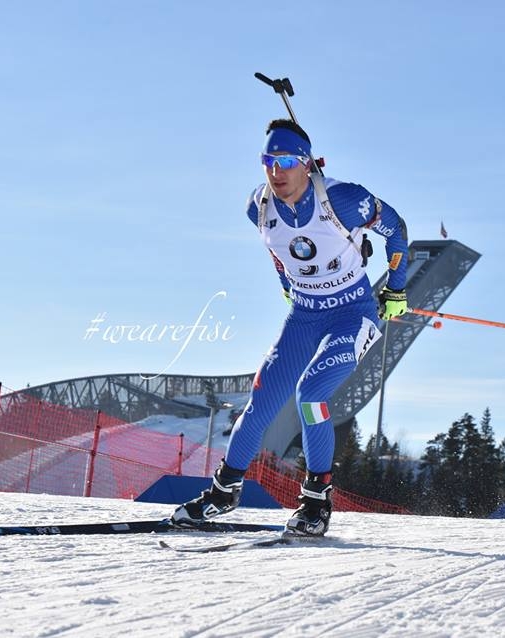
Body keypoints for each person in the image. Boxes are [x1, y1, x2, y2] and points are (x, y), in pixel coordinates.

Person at [171, 119, 409, 536]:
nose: (275, 172)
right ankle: (224, 492)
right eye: (268, 161)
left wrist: (396, 289)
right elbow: (279, 253)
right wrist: (288, 286)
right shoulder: (257, 206)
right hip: (303, 315)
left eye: (285, 161)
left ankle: (317, 500)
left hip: (352, 314)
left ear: (307, 164)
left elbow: (398, 231)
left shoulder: (344, 200)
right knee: (261, 401)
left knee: (311, 394)